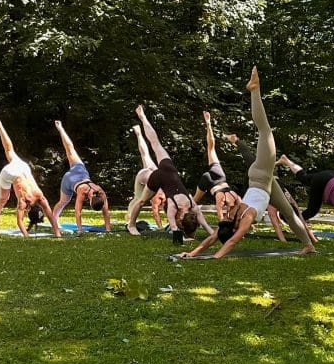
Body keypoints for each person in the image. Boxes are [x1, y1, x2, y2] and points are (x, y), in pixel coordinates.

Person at [180, 68, 316, 259]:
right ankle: (308, 245)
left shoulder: (233, 221)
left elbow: (214, 239)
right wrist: (212, 256)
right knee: (265, 132)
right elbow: (231, 241)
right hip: (264, 182)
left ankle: (254, 90)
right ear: (233, 225)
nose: (225, 215)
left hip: (260, 176)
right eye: (227, 218)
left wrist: (193, 253)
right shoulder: (245, 219)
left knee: (265, 131)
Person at [127, 106, 213, 243]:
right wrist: (183, 238)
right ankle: (131, 225)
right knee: (142, 201)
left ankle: (143, 117)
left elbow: (202, 221)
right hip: (158, 177)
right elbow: (173, 225)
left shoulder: (191, 204)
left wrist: (212, 233)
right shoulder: (173, 207)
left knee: (155, 143)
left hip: (170, 170)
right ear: (181, 219)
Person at [0, 111, 61, 237]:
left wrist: (57, 232)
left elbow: (50, 214)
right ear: (29, 212)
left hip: (23, 168)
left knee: (9, 149)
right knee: (3, 198)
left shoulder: (40, 196)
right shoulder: (24, 201)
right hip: (10, 173)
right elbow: (20, 222)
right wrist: (27, 236)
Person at [52, 121, 111, 232]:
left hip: (79, 170)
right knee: (63, 202)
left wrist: (108, 229)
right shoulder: (83, 192)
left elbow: (105, 211)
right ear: (89, 202)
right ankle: (54, 219)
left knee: (70, 149)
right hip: (68, 180)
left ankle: (61, 128)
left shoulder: (100, 190)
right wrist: (80, 229)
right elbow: (78, 211)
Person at [130, 124, 166, 229]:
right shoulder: (158, 197)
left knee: (145, 155)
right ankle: (130, 221)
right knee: (138, 199)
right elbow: (155, 213)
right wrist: (160, 227)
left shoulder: (165, 193)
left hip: (154, 172)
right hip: (144, 176)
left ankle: (139, 134)